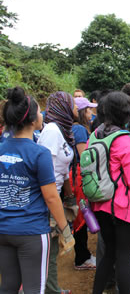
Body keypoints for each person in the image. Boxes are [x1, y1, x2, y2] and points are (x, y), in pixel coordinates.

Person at [0, 87, 74, 294]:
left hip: (2, 228)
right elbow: (51, 197)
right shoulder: (39, 153)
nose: (42, 115)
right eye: (40, 112)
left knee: (8, 286)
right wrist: (65, 230)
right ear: (33, 120)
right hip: (31, 230)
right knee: (35, 288)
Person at [92, 91, 130, 294]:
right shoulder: (125, 140)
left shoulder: (95, 135)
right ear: (127, 113)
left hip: (100, 205)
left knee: (109, 254)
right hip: (122, 209)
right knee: (124, 256)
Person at [38, 91, 78, 294]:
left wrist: (69, 197)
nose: (77, 108)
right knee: (48, 250)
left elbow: (62, 169)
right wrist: (53, 207)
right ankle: (50, 290)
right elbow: (46, 172)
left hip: (55, 196)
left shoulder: (62, 130)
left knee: (51, 248)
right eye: (73, 104)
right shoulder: (52, 131)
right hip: (45, 200)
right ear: (63, 107)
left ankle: (51, 288)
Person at [70, 97, 98, 270]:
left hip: (74, 176)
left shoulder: (72, 128)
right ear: (82, 112)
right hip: (80, 178)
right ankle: (82, 257)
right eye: (88, 110)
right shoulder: (79, 129)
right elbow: (84, 156)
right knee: (81, 216)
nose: (91, 113)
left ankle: (83, 254)